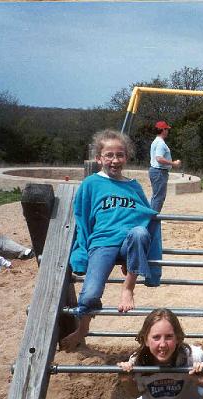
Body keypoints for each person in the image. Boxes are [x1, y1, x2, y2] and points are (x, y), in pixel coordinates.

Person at [61, 129, 162, 351]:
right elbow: (82, 217)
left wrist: (139, 251)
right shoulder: (91, 184)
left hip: (129, 241)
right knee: (89, 295)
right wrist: (81, 251)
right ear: (99, 158)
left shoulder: (133, 185)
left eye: (120, 155)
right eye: (109, 155)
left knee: (140, 233)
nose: (115, 160)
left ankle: (128, 289)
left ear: (126, 157)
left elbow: (145, 214)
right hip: (102, 242)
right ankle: (82, 329)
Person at [118, 308, 203, 399]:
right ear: (146, 339)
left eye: (168, 337)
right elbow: (135, 393)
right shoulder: (138, 362)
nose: (162, 344)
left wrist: (202, 380)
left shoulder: (193, 356)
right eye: (156, 337)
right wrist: (127, 381)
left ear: (177, 337)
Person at [149, 121, 181, 212]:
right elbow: (159, 158)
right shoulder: (160, 143)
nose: (168, 131)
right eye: (166, 129)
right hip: (159, 172)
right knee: (159, 197)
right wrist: (173, 163)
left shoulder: (156, 141)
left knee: (156, 197)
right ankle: (153, 220)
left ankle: (152, 218)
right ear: (163, 130)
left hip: (157, 171)